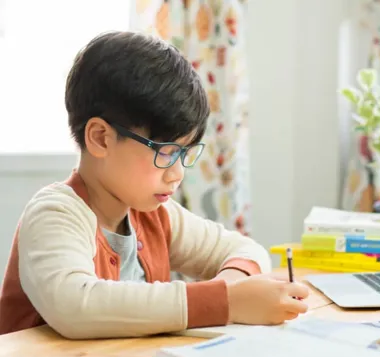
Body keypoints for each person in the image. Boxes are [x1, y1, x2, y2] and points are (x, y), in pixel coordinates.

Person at [0, 31, 309, 339]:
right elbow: (75, 305)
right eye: (165, 153)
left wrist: (232, 287)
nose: (176, 175)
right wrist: (226, 302)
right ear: (100, 138)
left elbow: (245, 249)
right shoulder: (55, 214)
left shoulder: (153, 215)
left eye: (184, 153)